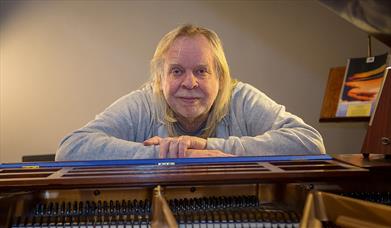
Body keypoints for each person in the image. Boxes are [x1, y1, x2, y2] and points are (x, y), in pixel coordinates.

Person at [55, 24, 325, 161]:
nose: (189, 83)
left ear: (220, 77)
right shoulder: (144, 103)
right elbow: (71, 148)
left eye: (201, 71)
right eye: (176, 71)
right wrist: (169, 154)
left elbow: (310, 143)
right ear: (160, 79)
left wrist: (212, 148)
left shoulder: (241, 98)